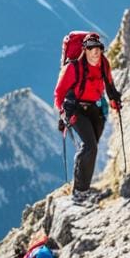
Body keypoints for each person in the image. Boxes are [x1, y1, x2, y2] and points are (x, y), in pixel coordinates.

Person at [54, 33, 122, 202]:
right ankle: (79, 191)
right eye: (91, 48)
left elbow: (109, 83)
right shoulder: (73, 68)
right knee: (89, 146)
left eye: (98, 48)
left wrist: (114, 100)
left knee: (92, 147)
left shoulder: (103, 64)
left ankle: (83, 188)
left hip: (94, 108)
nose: (95, 52)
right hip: (76, 109)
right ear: (84, 50)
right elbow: (59, 94)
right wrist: (63, 113)